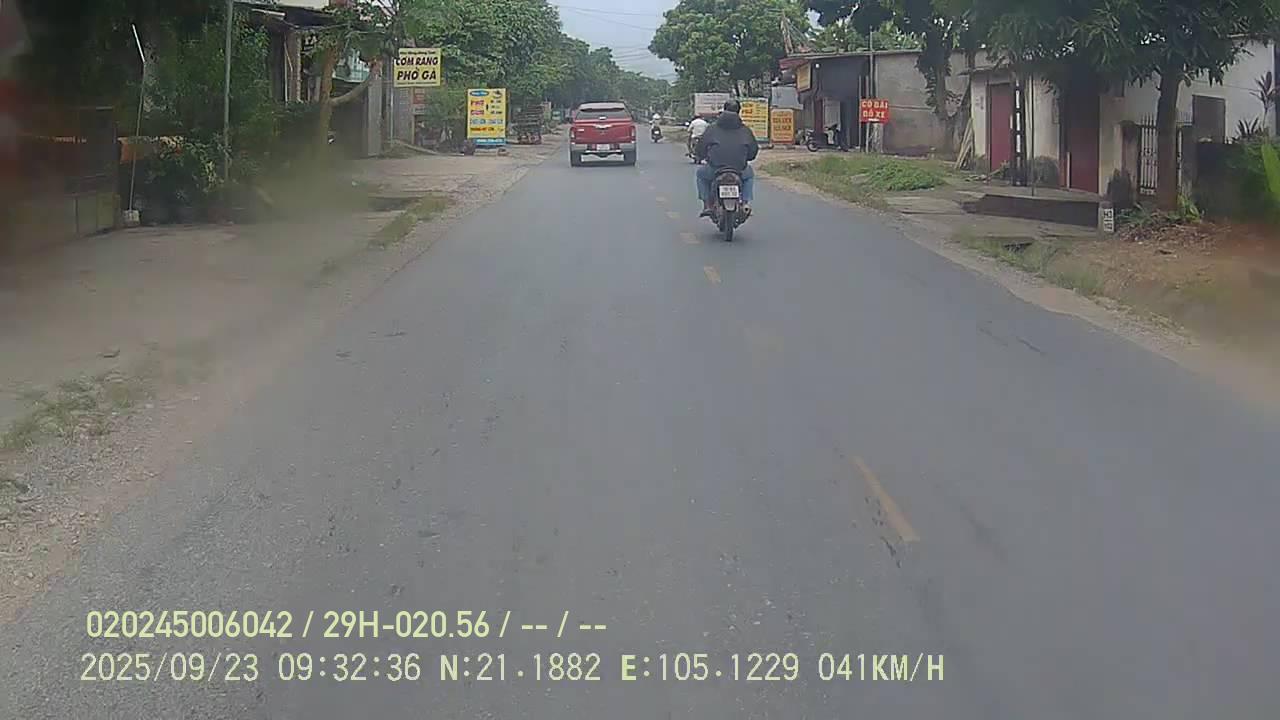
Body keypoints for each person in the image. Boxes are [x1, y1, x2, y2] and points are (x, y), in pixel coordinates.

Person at [692, 99, 758, 216]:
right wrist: (745, 159)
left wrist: (701, 156)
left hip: (715, 168)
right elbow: (753, 151)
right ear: (739, 111)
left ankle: (707, 205)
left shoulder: (712, 129)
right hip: (739, 168)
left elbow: (701, 147)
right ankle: (745, 203)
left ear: (724, 109)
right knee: (749, 175)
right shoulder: (745, 130)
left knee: (701, 175)